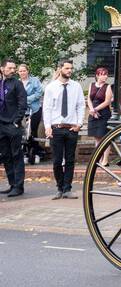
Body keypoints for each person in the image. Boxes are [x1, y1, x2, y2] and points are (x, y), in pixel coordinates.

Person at [43, 59, 86, 200]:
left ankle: (67, 188)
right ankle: (59, 187)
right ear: (60, 68)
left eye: (71, 68)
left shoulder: (76, 86)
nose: (70, 71)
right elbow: (47, 108)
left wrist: (79, 124)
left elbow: (81, 105)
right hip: (57, 128)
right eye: (67, 68)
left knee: (69, 160)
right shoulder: (51, 87)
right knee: (56, 160)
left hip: (71, 129)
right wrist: (47, 127)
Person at [0, 59, 28, 197]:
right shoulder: (0, 84)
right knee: (6, 156)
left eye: (14, 68)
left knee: (16, 155)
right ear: (2, 69)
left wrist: (16, 121)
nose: (12, 70)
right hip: (1, 126)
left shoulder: (17, 84)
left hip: (13, 125)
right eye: (10, 68)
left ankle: (19, 186)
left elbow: (23, 103)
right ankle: (12, 184)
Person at [18, 64, 43, 164]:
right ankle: (24, 153)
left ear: (28, 71)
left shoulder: (34, 80)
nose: (22, 73)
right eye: (20, 71)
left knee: (32, 132)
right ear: (18, 72)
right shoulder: (17, 82)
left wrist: (26, 100)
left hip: (34, 110)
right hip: (22, 111)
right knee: (23, 133)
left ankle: (35, 153)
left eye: (24, 71)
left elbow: (39, 93)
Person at [86, 66, 115, 140]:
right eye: (103, 74)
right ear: (97, 75)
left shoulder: (108, 86)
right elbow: (89, 98)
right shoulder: (91, 85)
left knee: (105, 137)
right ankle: (98, 152)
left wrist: (95, 109)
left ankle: (105, 152)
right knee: (96, 137)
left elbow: (107, 101)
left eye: (106, 75)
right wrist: (92, 109)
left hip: (103, 113)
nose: (106, 76)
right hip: (93, 113)